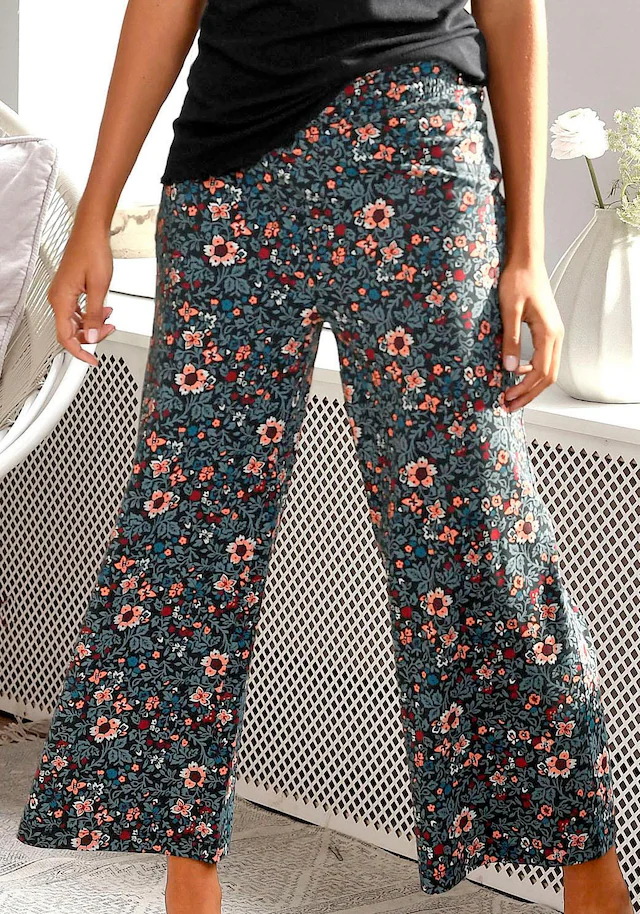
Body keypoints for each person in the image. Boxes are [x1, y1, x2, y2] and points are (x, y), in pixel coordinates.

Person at [14, 2, 633, 913]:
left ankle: (590, 873)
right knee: (186, 530)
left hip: (416, 150)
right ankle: (189, 883)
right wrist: (93, 217)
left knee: (473, 522)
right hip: (229, 172)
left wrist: (527, 251)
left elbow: (510, 7)